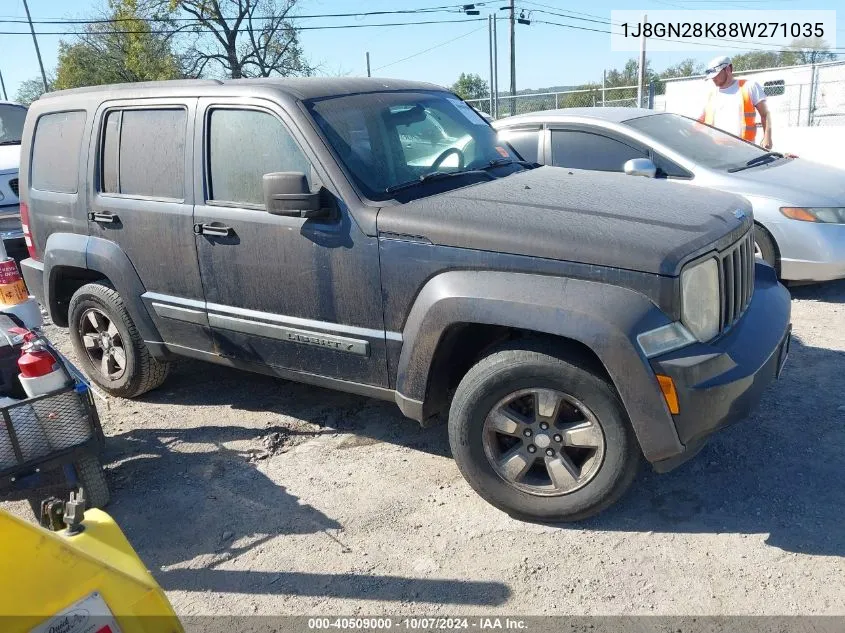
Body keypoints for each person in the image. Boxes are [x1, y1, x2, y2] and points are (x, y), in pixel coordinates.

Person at [698, 55, 772, 149]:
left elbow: (765, 114)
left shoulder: (748, 86)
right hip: (716, 150)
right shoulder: (712, 94)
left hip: (745, 149)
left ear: (728, 69)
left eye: (716, 75)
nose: (713, 79)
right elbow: (702, 118)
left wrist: (767, 138)